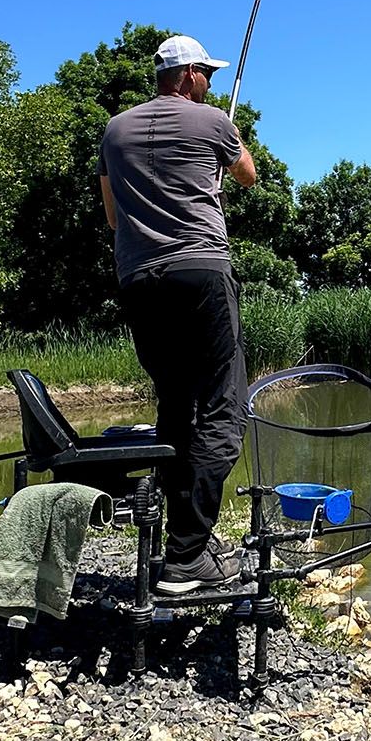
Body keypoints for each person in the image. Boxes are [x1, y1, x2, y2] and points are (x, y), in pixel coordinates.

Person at [98, 34, 258, 593]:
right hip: (200, 270)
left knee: (175, 406)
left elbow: (114, 217)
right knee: (224, 406)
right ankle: (188, 557)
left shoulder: (113, 132)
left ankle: (184, 542)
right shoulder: (213, 121)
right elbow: (248, 175)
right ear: (187, 74)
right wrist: (219, 157)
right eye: (206, 74)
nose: (210, 82)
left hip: (139, 279)